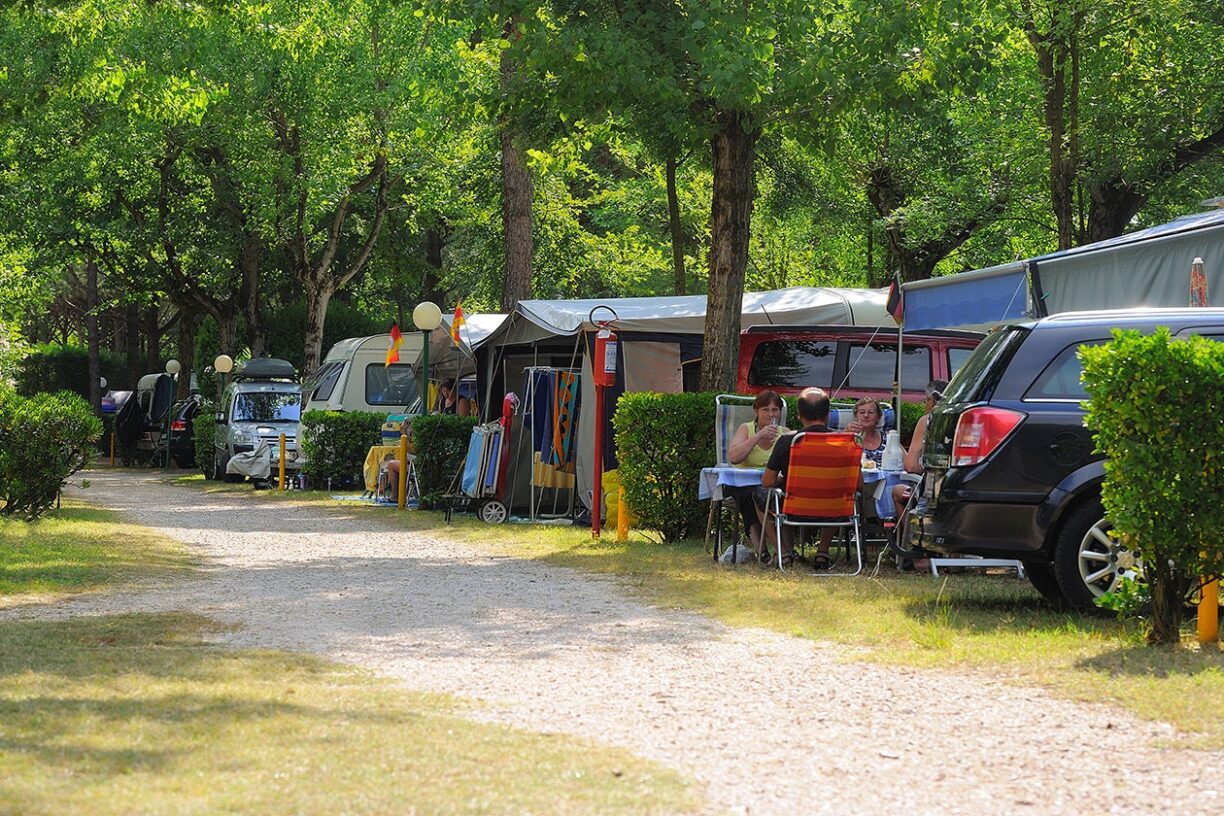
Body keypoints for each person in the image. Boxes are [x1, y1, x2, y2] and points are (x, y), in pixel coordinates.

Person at [756, 387, 837, 569]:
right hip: (834, 507)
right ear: (828, 414)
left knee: (759, 493)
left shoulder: (788, 440)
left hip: (795, 507)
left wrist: (782, 479)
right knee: (841, 493)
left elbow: (767, 482)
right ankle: (822, 552)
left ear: (799, 415)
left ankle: (783, 552)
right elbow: (857, 484)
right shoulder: (844, 441)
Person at [724, 390, 788, 560]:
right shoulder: (746, 429)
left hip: (772, 483)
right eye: (765, 409)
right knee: (750, 495)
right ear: (756, 411)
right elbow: (734, 458)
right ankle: (761, 550)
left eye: (775, 410)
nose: (771, 414)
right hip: (742, 484)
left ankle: (783, 550)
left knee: (774, 494)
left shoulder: (784, 433)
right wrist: (758, 436)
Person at [891, 380, 947, 569]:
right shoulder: (965, 418)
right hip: (961, 491)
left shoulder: (927, 421)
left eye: (926, 400)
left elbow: (910, 465)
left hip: (933, 491)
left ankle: (916, 553)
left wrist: (927, 467)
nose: (925, 404)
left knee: (898, 492)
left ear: (932, 400)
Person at [848, 398, 885, 467]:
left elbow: (905, 463)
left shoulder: (888, 438)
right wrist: (845, 436)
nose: (866, 415)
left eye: (871, 412)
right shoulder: (849, 438)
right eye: (862, 412)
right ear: (856, 417)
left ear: (878, 417)